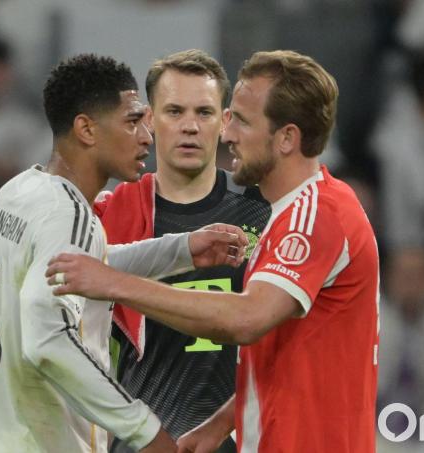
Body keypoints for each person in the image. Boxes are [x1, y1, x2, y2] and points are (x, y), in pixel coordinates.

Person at [47, 50, 380, 452]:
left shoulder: (313, 217)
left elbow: (247, 318)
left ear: (287, 138)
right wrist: (221, 423)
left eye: (236, 119)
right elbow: (287, 352)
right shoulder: (286, 216)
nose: (227, 134)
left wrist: (116, 282)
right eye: (174, 111)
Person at [0, 54, 248, 453]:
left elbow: (80, 269)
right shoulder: (71, 213)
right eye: (132, 121)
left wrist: (180, 249)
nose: (146, 135)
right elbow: (49, 337)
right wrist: (145, 430)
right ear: (87, 129)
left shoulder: (20, 191)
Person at [95, 49, 270, 453]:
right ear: (149, 120)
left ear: (225, 121)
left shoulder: (264, 213)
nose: (190, 126)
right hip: (142, 442)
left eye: (204, 113)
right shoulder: (110, 216)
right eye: (174, 112)